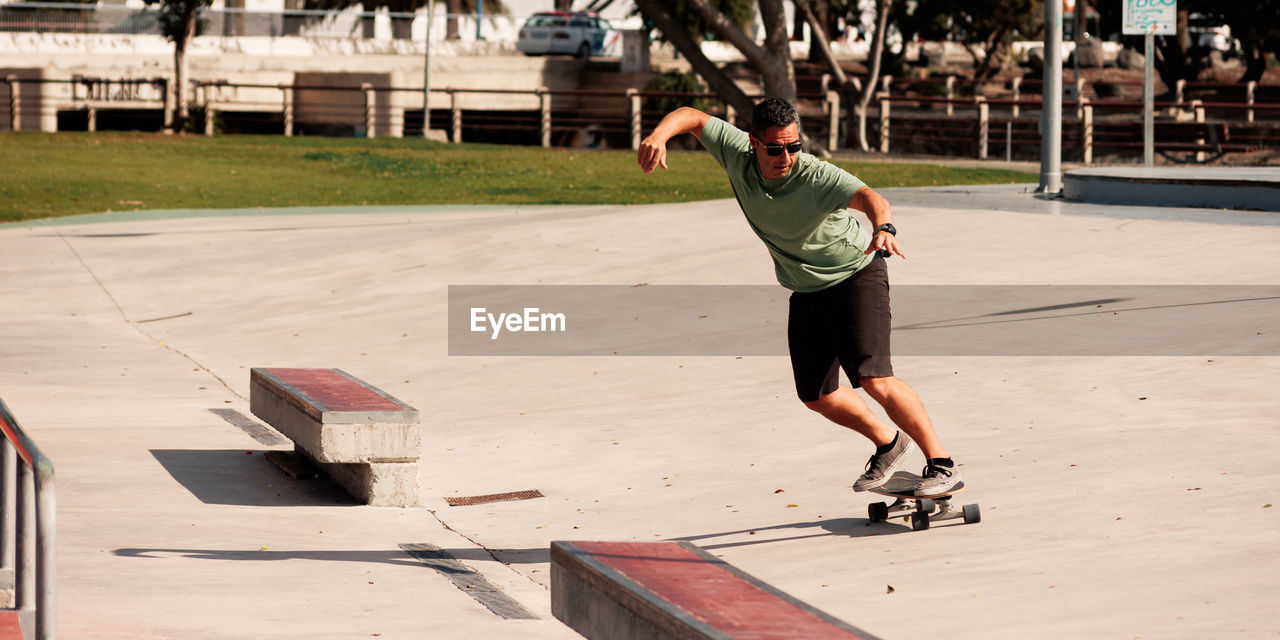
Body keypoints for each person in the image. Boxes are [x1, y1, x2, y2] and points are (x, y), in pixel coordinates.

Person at [636, 98, 961, 495]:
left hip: (857, 273)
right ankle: (889, 443)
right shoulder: (735, 152)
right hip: (806, 288)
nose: (786, 157)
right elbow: (692, 116)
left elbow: (871, 197)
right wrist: (658, 135)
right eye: (775, 148)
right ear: (753, 143)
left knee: (874, 379)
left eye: (794, 147)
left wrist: (885, 227)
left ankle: (942, 463)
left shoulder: (816, 176)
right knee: (816, 395)